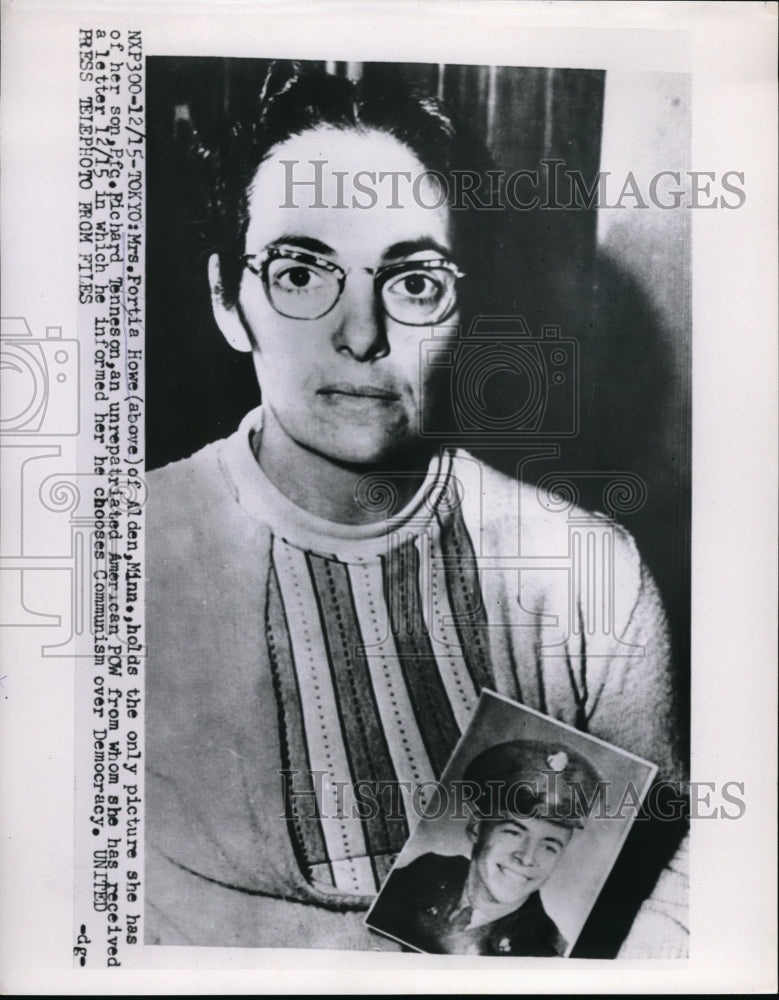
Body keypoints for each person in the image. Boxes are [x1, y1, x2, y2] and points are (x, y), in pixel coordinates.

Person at [145, 62, 688, 954]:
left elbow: (672, 891)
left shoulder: (588, 575)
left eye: (412, 280)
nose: (360, 335)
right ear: (225, 300)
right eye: (299, 270)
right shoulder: (115, 559)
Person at [367, 739, 602, 956]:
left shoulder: (543, 953)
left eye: (550, 846)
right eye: (513, 832)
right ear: (477, 828)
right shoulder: (426, 872)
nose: (527, 858)